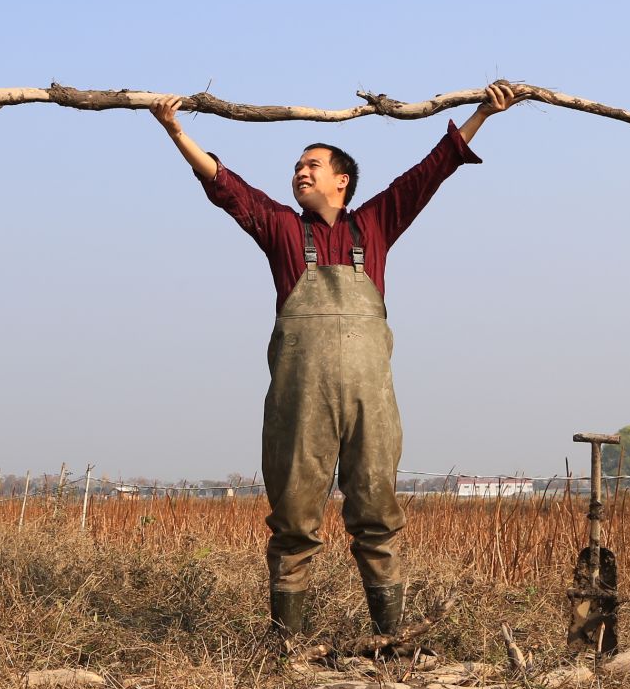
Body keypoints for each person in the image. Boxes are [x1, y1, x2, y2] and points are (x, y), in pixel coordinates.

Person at [148, 84, 520, 643]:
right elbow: (227, 188)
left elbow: (431, 171)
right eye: (297, 166)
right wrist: (175, 129)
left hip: (372, 405)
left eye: (312, 165)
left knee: (377, 517)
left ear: (341, 180)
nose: (300, 172)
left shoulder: (375, 225)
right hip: (299, 405)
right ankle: (286, 647)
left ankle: (389, 640)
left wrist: (483, 114)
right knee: (294, 523)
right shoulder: (280, 230)